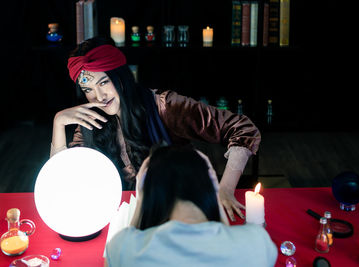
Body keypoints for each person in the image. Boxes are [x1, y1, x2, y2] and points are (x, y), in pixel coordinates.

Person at [50, 36, 261, 221]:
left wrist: (225, 188)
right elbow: (63, 179)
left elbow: (243, 128)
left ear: (120, 76)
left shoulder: (164, 105)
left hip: (174, 212)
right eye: (88, 89)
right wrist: (58, 123)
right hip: (117, 217)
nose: (98, 96)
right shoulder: (90, 119)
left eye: (104, 82)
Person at [105, 145, 277, 267]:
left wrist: (141, 200)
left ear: (149, 194)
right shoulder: (257, 243)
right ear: (210, 189)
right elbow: (225, 233)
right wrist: (216, 193)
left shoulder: (122, 249)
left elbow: (128, 238)